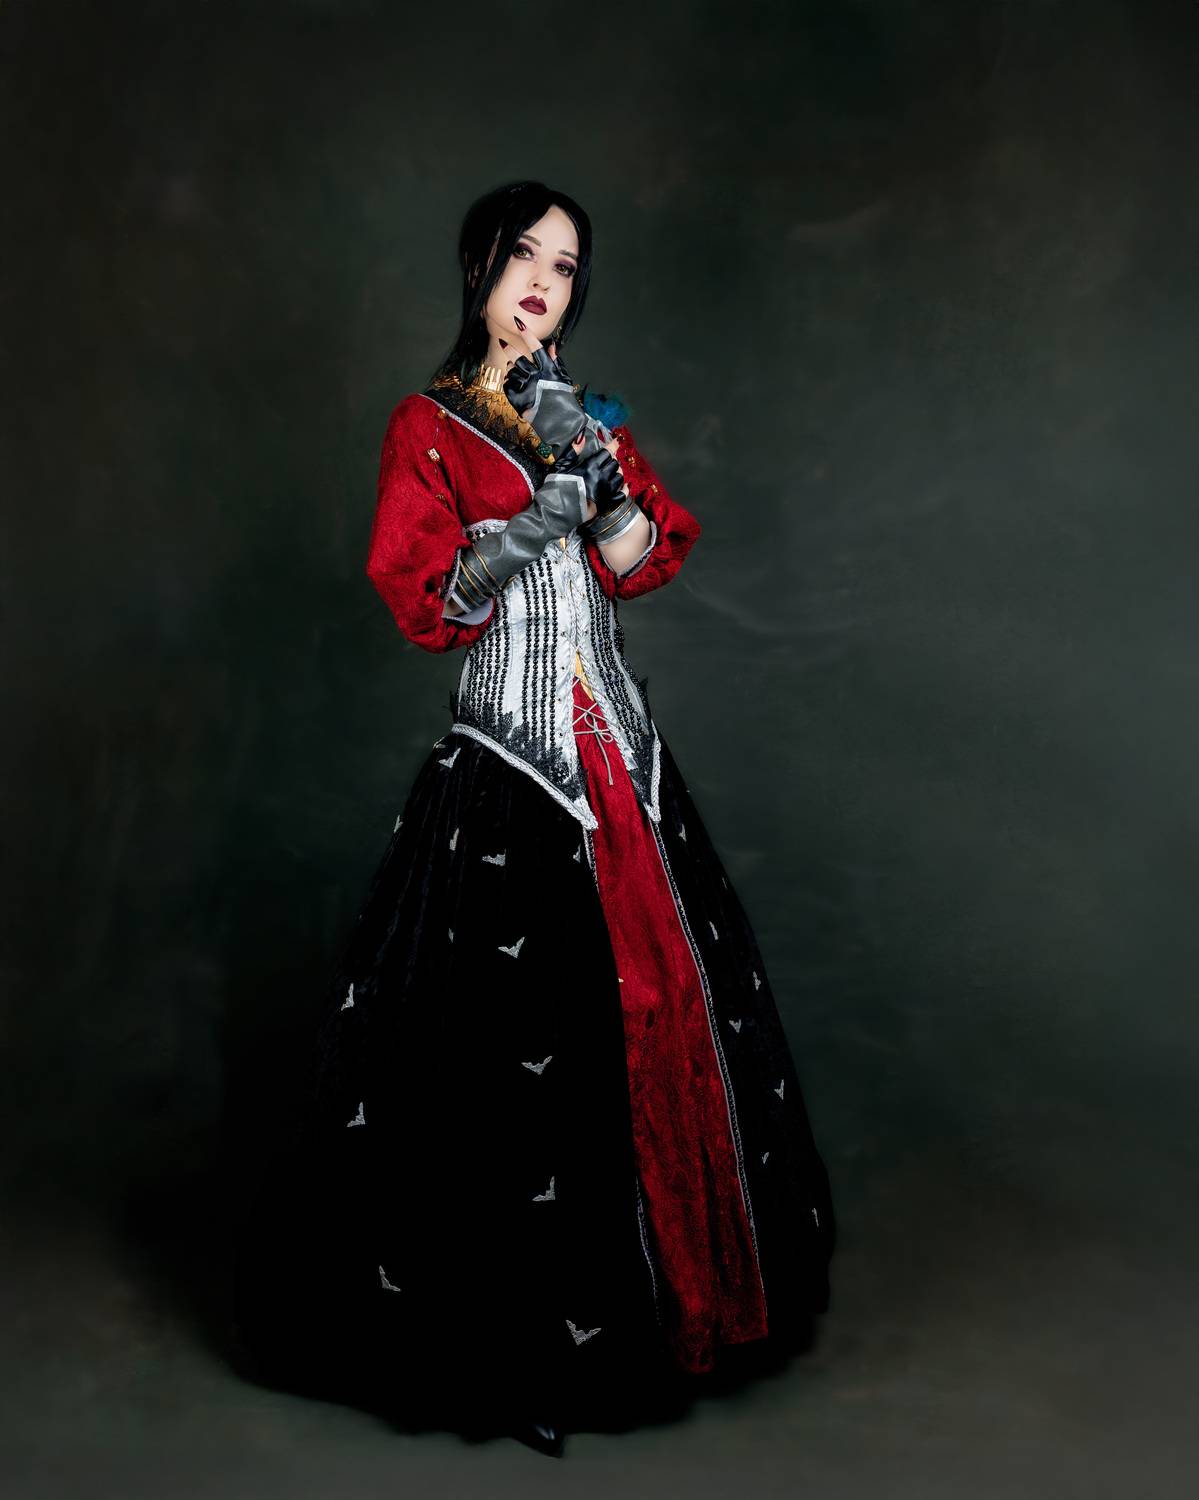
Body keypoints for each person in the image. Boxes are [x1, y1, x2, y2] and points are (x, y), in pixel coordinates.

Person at [232, 180, 835, 1459]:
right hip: (510, 761)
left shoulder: (588, 414)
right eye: (525, 257)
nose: (543, 285)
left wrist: (592, 475)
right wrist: (521, 530)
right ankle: (518, 1349)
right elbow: (430, 603)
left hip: (620, 760)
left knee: (663, 1007)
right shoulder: (428, 425)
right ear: (478, 268)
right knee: (508, 1055)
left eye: (564, 267)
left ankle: (655, 1313)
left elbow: (636, 564)